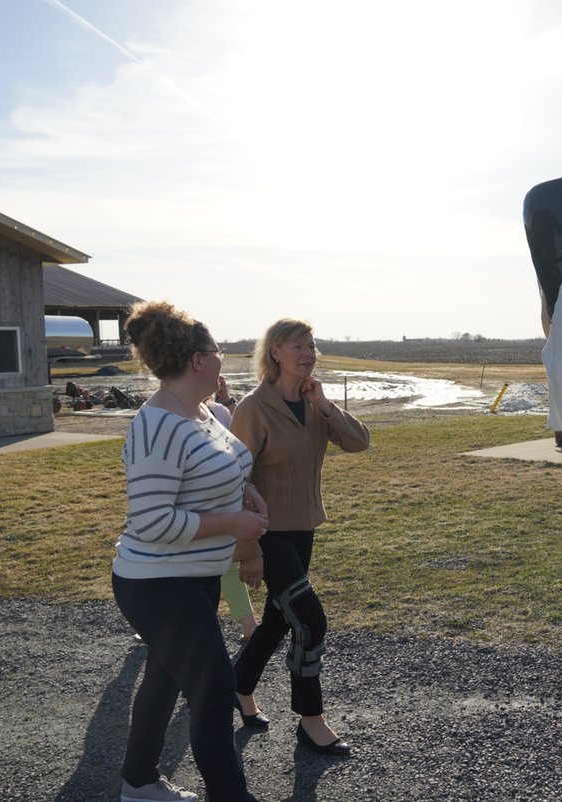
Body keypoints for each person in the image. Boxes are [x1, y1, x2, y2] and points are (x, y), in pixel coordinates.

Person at [113, 300, 268, 802]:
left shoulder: (199, 411)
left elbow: (217, 465)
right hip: (157, 584)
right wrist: (233, 521)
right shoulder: (157, 425)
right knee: (214, 688)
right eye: (218, 350)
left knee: (164, 680)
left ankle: (138, 784)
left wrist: (244, 490)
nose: (224, 357)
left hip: (192, 576)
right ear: (198, 360)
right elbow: (153, 521)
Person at [230, 318, 370, 757]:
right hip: (267, 531)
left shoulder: (313, 403)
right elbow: (233, 480)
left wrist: (326, 406)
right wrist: (248, 550)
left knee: (276, 621)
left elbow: (359, 443)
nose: (308, 354)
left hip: (303, 528)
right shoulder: (253, 408)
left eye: (312, 346)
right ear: (274, 352)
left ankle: (237, 688)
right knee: (309, 621)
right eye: (297, 347)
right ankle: (311, 720)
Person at [209, 377, 260, 642]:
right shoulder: (171, 411)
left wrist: (225, 396)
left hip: (219, 497)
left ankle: (250, 626)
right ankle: (250, 626)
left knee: (225, 565)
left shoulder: (217, 411)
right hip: (206, 500)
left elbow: (239, 440)